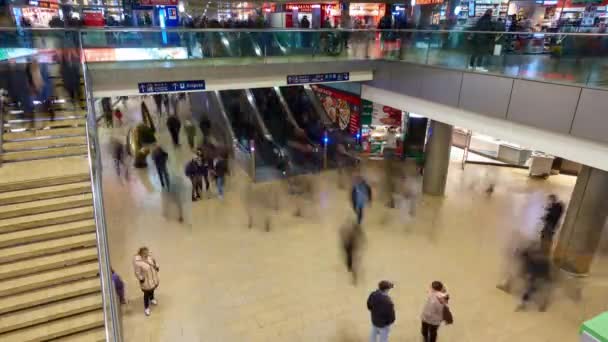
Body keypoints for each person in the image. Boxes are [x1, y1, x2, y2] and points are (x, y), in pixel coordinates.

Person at [516, 244, 552, 311]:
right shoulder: (531, 259)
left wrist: (530, 278)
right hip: (542, 274)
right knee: (534, 289)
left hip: (542, 275)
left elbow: (535, 271)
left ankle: (541, 305)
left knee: (534, 289)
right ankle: (541, 304)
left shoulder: (532, 261)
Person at [133, 247, 159, 316]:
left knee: (152, 289)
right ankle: (146, 308)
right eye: (145, 253)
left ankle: (152, 298)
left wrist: (157, 266)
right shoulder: (138, 262)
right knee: (146, 294)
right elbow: (137, 272)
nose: (147, 254)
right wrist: (141, 279)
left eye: (147, 252)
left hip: (153, 278)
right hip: (146, 281)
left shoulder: (150, 257)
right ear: (141, 254)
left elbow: (155, 262)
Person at [340, 220, 365, 284]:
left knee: (354, 263)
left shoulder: (352, 229)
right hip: (348, 247)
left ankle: (355, 278)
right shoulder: (344, 229)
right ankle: (354, 275)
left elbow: (361, 236)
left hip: (353, 247)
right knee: (350, 263)